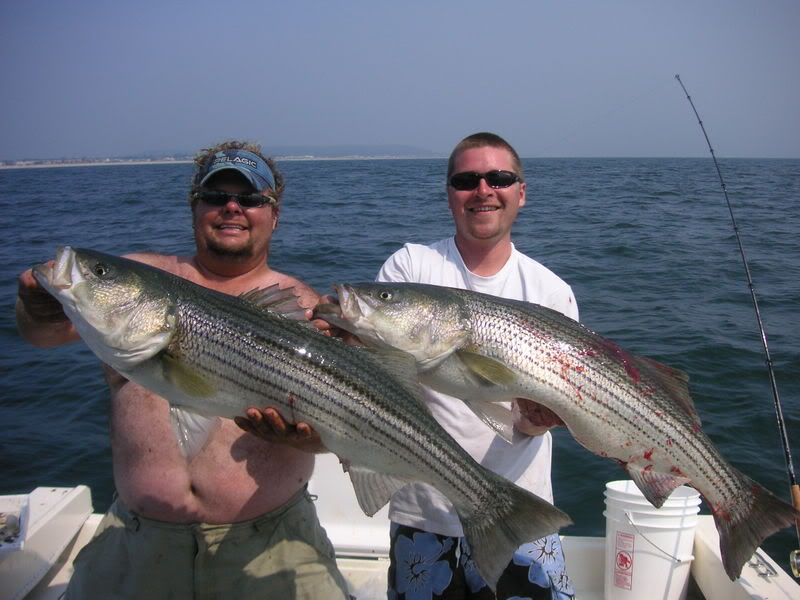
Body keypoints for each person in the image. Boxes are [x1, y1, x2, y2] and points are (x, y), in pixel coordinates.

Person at [15, 141, 349, 600]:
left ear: (274, 215)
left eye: (251, 198)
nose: (232, 207)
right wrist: (37, 306)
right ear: (194, 207)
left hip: (272, 544)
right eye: (215, 196)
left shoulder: (304, 309)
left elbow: (342, 428)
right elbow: (43, 334)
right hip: (137, 541)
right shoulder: (140, 275)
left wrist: (309, 439)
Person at [375, 133, 579, 599]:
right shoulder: (409, 268)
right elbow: (385, 383)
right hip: (426, 512)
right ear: (449, 193)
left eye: (499, 178)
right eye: (466, 180)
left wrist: (538, 418)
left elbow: (527, 423)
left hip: (521, 511)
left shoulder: (550, 291)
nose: (483, 190)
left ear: (521, 193)